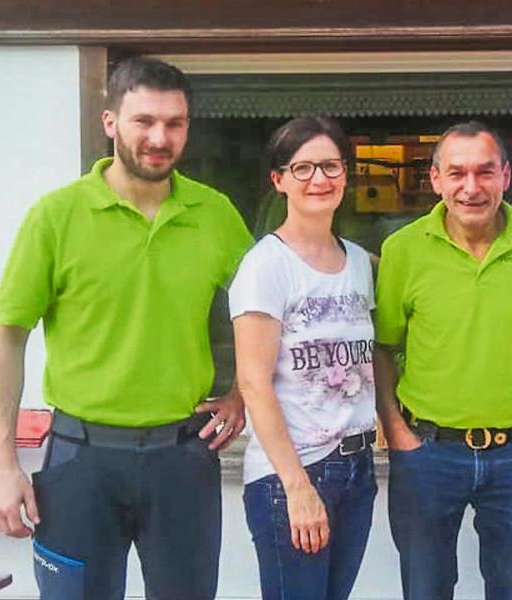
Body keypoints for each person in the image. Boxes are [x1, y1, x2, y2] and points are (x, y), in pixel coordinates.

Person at [0, 57, 252, 600]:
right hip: (80, 460)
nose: (160, 137)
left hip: (182, 459)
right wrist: (4, 465)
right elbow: (8, 337)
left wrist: (243, 391)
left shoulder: (215, 214)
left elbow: (265, 314)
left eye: (174, 123)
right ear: (110, 122)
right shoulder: (56, 217)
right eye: (144, 121)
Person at [373, 121, 512, 600]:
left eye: (485, 172)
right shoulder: (403, 250)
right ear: (436, 179)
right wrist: (397, 433)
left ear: (506, 175)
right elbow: (382, 349)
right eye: (456, 173)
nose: (471, 187)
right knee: (425, 590)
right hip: (428, 453)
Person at [230, 116, 378, 600]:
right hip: (293, 473)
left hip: (356, 470)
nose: (320, 179)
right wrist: (296, 487)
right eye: (304, 168)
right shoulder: (266, 266)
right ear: (279, 180)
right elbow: (253, 383)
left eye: (331, 166)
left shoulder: (358, 261)